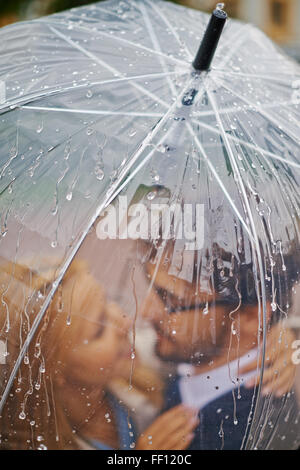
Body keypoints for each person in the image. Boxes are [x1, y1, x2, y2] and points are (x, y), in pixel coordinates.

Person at [0, 257, 199, 450]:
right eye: (99, 331)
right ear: (51, 369)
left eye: (108, 301)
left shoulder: (150, 360)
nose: (126, 321)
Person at [140, 240, 299, 450]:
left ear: (252, 317)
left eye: (171, 299)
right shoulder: (192, 360)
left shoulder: (243, 436)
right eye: (150, 285)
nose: (145, 312)